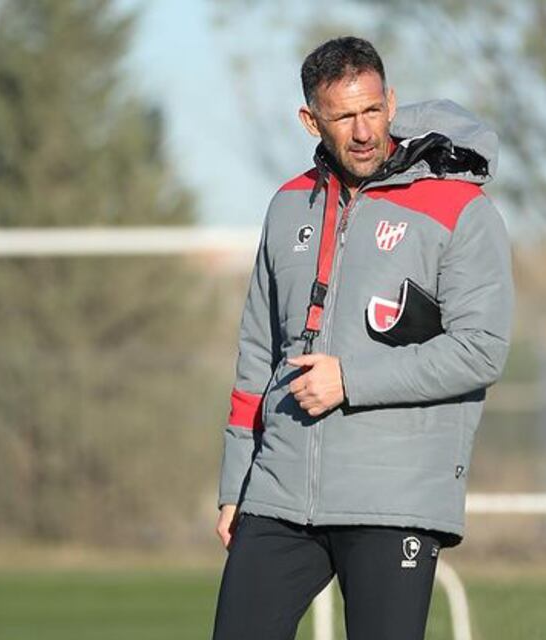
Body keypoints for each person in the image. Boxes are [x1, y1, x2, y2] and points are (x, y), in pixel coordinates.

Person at [211, 37, 513, 640]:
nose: (364, 131)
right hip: (279, 491)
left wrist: (349, 380)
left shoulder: (460, 208)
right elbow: (257, 352)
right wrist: (236, 481)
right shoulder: (287, 206)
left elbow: (481, 349)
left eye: (373, 109)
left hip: (394, 495)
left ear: (391, 102)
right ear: (310, 121)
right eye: (344, 116)